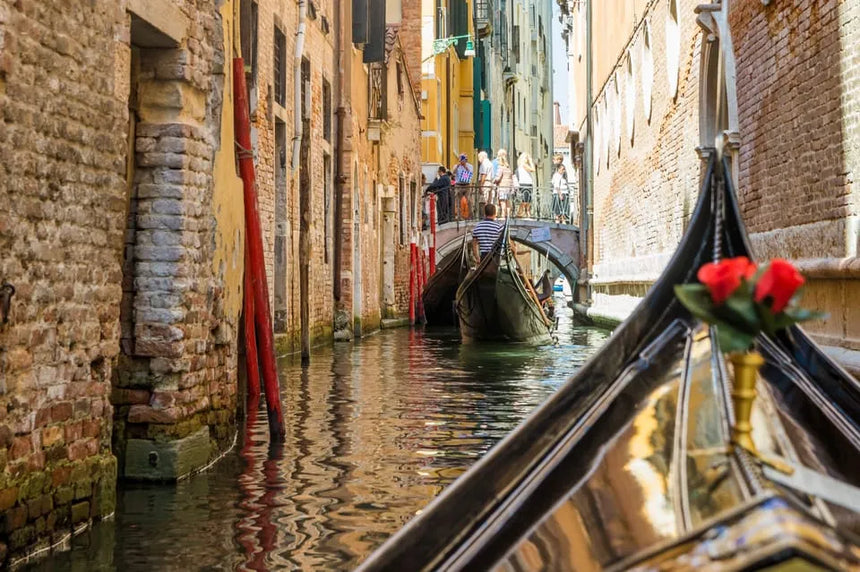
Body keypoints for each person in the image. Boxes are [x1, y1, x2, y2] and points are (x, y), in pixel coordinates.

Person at [494, 151, 514, 219]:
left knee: (503, 202)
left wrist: (494, 181)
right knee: (508, 202)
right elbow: (511, 178)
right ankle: (508, 215)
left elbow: (498, 178)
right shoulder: (508, 168)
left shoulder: (501, 168)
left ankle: (503, 215)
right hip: (508, 187)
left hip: (502, 187)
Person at [453, 154, 473, 220]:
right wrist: (457, 166)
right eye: (461, 159)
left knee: (469, 200)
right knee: (458, 201)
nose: (463, 161)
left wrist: (465, 167)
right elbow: (453, 173)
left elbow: (470, 174)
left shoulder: (470, 166)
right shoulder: (456, 166)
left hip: (466, 185)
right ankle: (459, 216)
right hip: (458, 185)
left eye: (464, 159)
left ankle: (470, 215)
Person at [516, 152, 536, 218]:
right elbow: (533, 169)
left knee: (528, 199)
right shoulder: (523, 164)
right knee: (525, 199)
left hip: (528, 183)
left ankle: (526, 212)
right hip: (525, 183)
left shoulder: (522, 165)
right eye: (527, 158)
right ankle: (521, 212)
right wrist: (531, 161)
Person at [477, 151, 495, 215]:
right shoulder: (490, 163)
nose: (478, 159)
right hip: (490, 183)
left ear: (482, 157)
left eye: (479, 157)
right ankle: (489, 214)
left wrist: (481, 185)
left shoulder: (484, 164)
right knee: (489, 200)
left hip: (485, 183)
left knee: (484, 200)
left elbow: (483, 174)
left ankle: (484, 215)